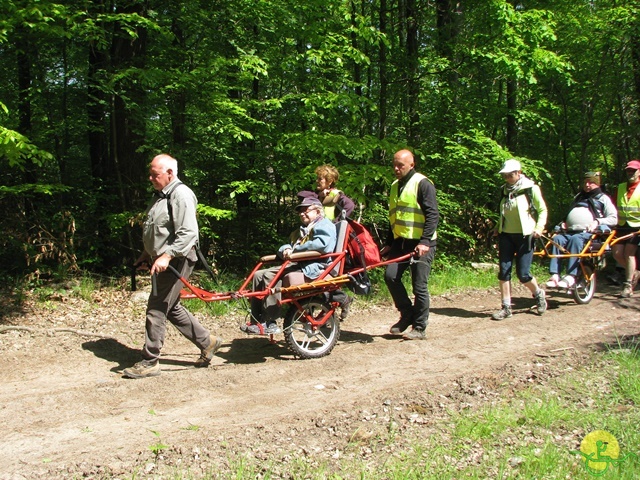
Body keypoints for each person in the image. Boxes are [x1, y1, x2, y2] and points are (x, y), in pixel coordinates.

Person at [123, 154, 222, 379]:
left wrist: (166, 256)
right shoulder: (160, 196)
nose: (150, 178)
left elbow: (188, 233)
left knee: (157, 307)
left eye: (155, 174)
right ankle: (208, 342)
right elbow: (157, 231)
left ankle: (150, 361)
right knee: (172, 306)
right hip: (163, 259)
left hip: (179, 259)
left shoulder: (181, 195)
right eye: (150, 174)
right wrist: (145, 254)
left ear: (170, 173)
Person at [243, 196, 337, 334]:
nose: (302, 213)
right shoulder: (302, 230)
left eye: (306, 210)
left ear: (317, 211)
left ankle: (270, 321)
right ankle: (257, 320)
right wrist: (286, 250)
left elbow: (322, 245)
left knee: (269, 275)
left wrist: (294, 250)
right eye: (300, 211)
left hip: (314, 266)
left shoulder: (324, 224)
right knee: (258, 275)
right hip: (298, 262)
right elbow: (290, 245)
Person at [381, 149, 438, 340]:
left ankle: (420, 327)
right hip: (401, 241)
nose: (396, 169)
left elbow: (433, 215)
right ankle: (407, 314)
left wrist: (424, 241)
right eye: (394, 165)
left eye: (400, 165)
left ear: (411, 165)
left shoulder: (423, 184)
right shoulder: (395, 186)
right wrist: (389, 243)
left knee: (419, 286)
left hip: (422, 243)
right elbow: (394, 217)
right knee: (390, 276)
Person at [492, 159, 548, 321]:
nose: (507, 178)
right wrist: (497, 226)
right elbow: (504, 212)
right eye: (505, 176)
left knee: (523, 274)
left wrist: (539, 228)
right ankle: (506, 307)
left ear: (518, 173)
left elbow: (542, 210)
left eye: (510, 175)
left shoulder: (531, 189)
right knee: (504, 271)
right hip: (506, 235)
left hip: (526, 235)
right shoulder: (504, 190)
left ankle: (538, 294)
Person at [546, 172, 617, 289]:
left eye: (591, 182)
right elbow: (569, 213)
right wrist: (565, 223)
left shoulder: (604, 199)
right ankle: (555, 275)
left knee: (576, 239)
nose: (587, 185)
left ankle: (571, 275)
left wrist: (598, 222)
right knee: (557, 239)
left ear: (598, 184)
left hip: (589, 234)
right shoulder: (578, 197)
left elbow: (613, 219)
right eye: (586, 182)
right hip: (570, 231)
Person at [611, 160, 640, 298]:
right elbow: (613, 205)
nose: (630, 173)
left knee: (629, 253)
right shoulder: (621, 187)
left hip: (636, 227)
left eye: (633, 171)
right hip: (621, 225)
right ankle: (634, 272)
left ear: (639, 172)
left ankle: (628, 285)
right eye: (629, 171)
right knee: (616, 253)